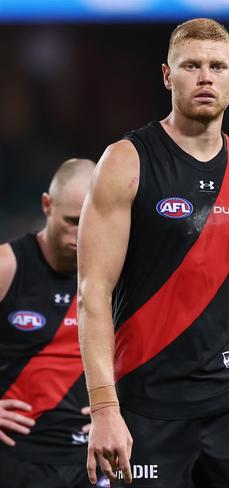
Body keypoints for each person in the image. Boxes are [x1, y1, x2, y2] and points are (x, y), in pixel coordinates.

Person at [77, 18, 229, 488]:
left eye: (217, 66)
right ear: (166, 75)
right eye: (190, 65)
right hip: (148, 404)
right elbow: (93, 293)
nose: (205, 77)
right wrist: (105, 409)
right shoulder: (126, 162)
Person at [0, 158, 99, 487]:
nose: (79, 234)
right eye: (71, 221)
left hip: (89, 460)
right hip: (16, 458)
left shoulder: (116, 278)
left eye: (89, 221)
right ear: (47, 205)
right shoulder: (6, 267)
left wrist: (119, 410)